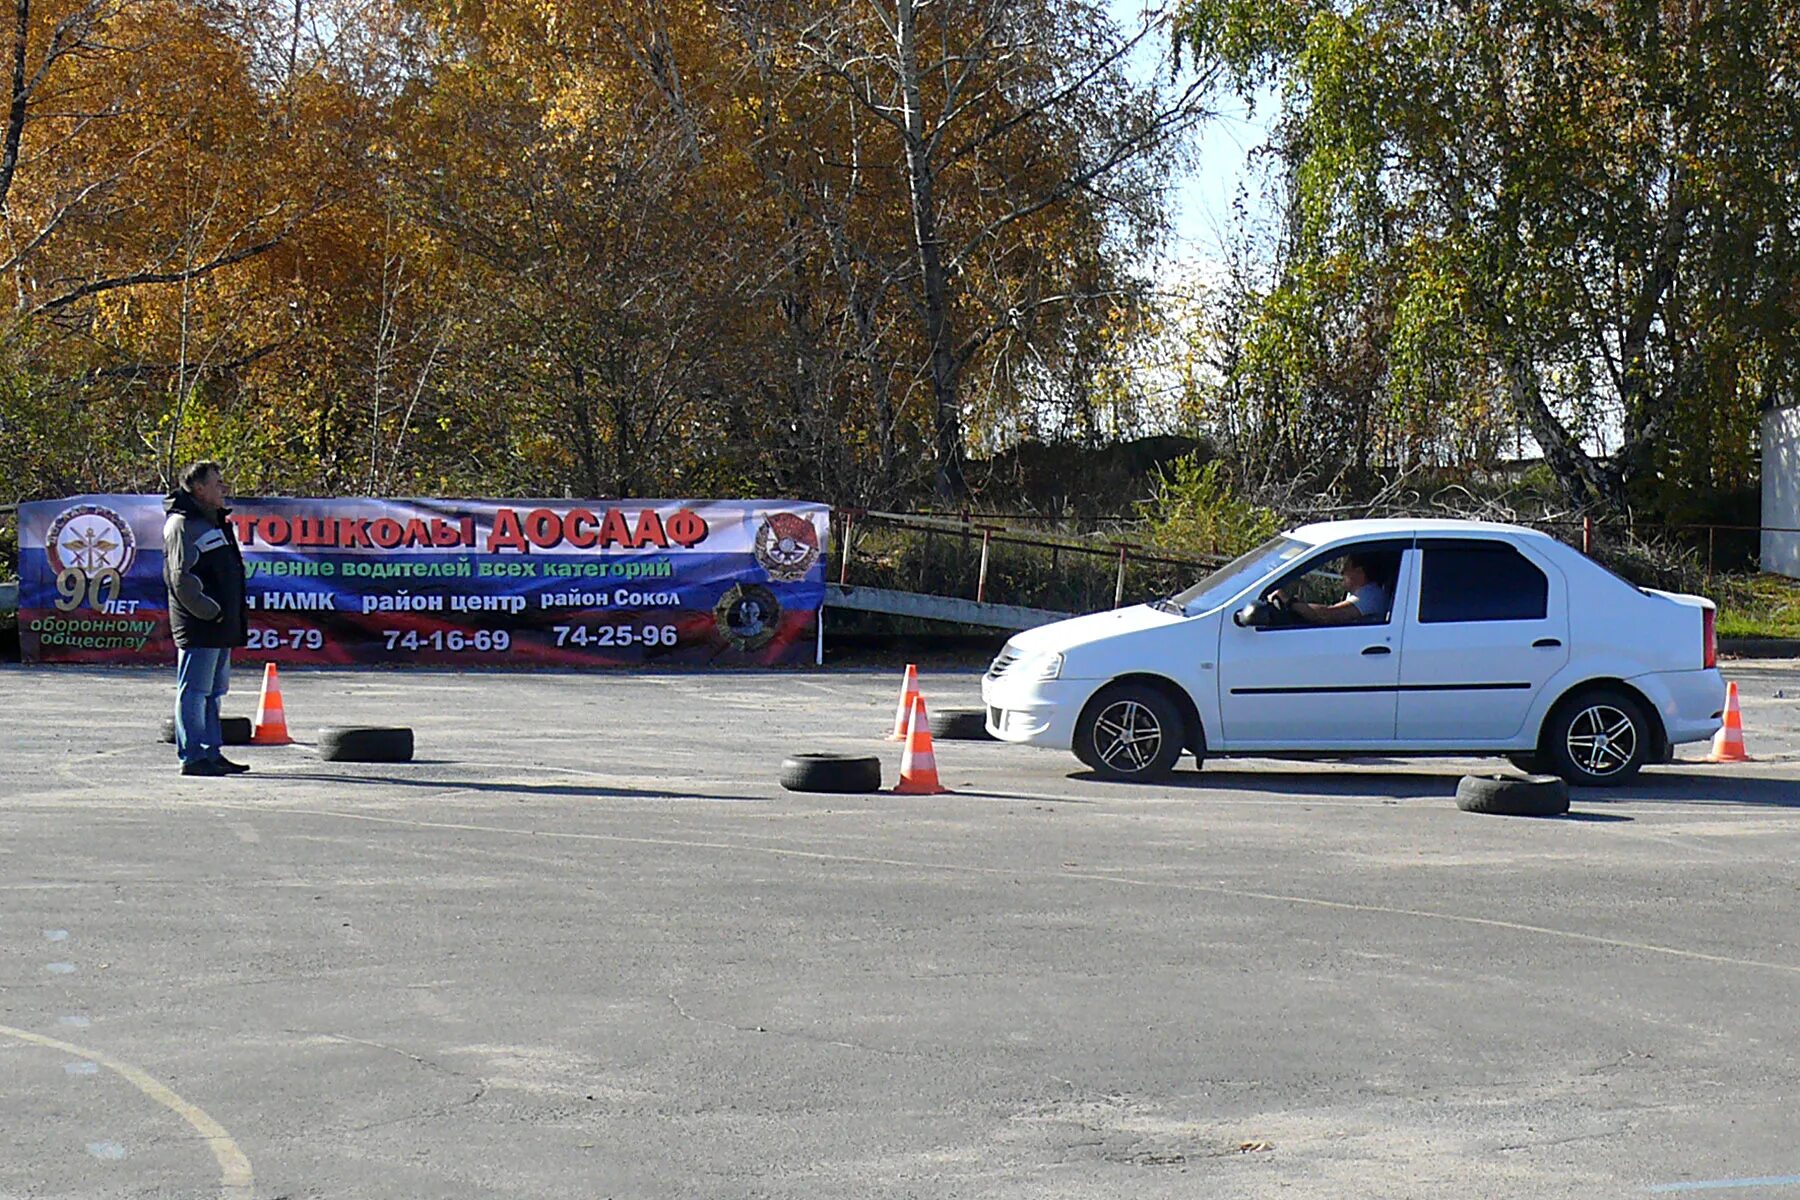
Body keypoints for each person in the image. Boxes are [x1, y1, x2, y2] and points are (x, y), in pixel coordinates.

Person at [163, 461, 250, 776]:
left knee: (214, 692)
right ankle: (193, 756)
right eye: (216, 483)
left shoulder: (213, 522)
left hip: (220, 624)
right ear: (198, 488)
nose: (222, 487)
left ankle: (212, 752)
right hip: (200, 625)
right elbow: (180, 578)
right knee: (194, 691)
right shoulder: (182, 524)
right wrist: (210, 611)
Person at [1274, 551, 1394, 626]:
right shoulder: (1360, 593)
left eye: (1346, 567)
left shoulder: (1370, 595)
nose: (1342, 572)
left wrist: (1290, 602)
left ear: (1359, 571)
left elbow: (1328, 615)